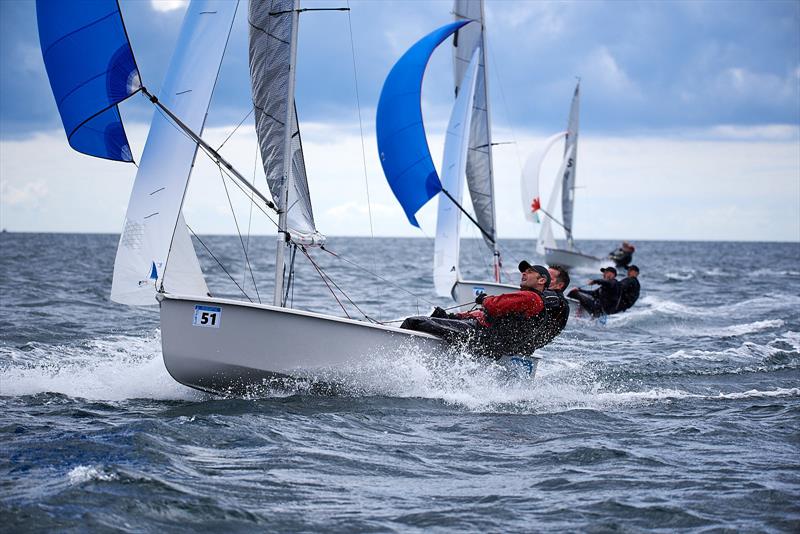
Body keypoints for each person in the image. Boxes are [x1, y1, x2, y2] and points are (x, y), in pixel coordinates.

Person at [401, 261, 550, 358]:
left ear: (541, 280)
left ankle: (399, 359)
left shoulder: (530, 297)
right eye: (524, 271)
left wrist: (484, 299)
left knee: (414, 322)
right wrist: (459, 316)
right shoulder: (536, 301)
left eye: (529, 272)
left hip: (481, 338)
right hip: (493, 344)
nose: (524, 273)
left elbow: (493, 305)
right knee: (441, 316)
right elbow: (493, 314)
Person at [536, 265, 570, 346]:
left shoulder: (553, 298)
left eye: (548, 278)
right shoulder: (560, 301)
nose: (541, 279)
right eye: (542, 275)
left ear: (560, 285)